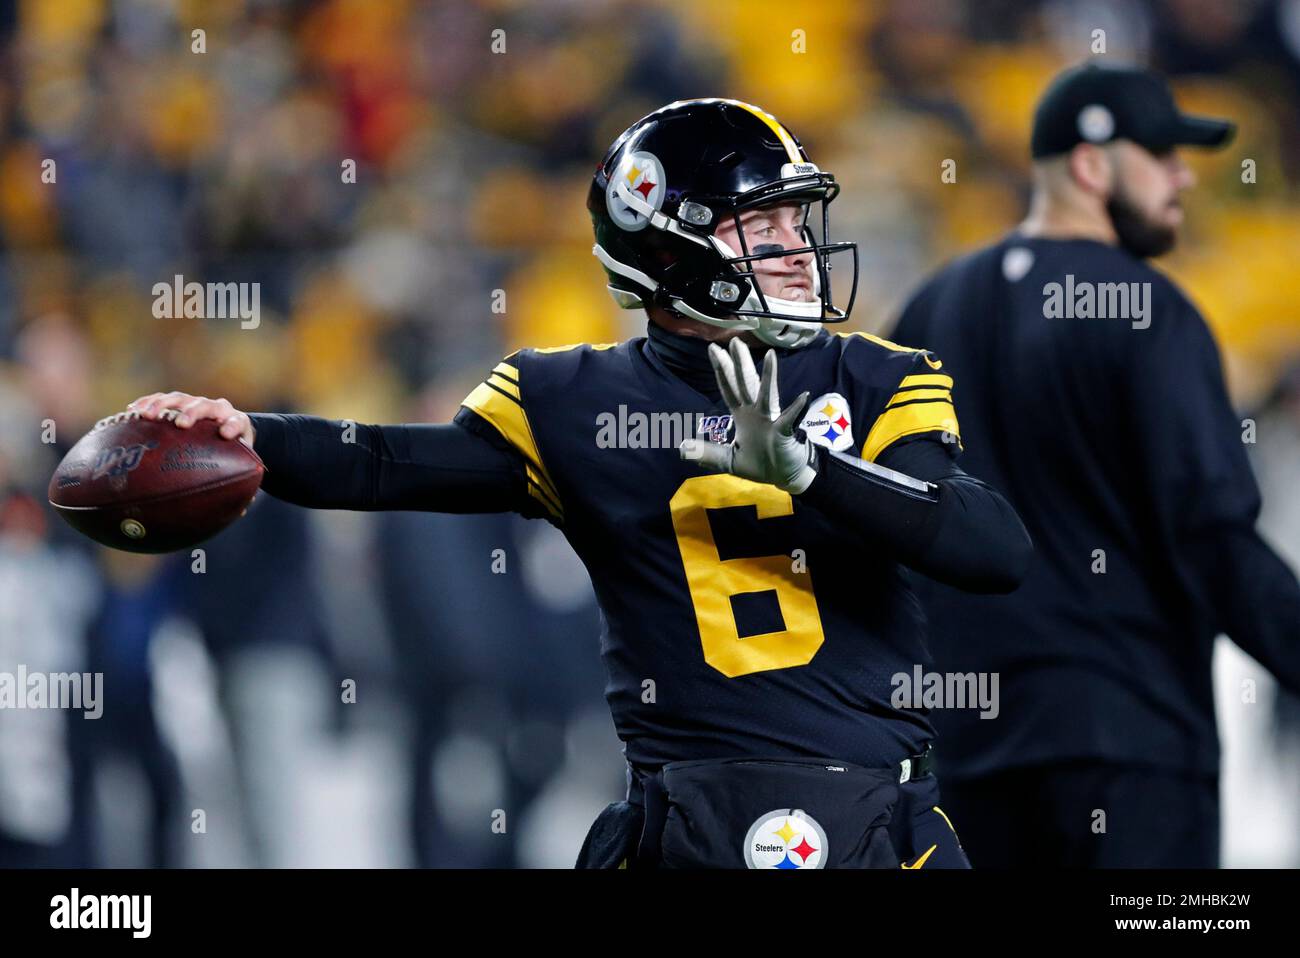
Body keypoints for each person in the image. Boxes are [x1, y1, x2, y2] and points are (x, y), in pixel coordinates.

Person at [128, 98, 1031, 869]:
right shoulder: (568, 400)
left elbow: (990, 548)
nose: (798, 251)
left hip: (873, 817)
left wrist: (814, 473)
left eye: (798, 223)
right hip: (684, 826)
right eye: (762, 228)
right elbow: (386, 463)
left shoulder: (874, 377)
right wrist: (251, 434)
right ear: (674, 252)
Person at [890, 62, 1300, 867]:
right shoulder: (1147, 307)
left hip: (961, 757)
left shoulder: (929, 309)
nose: (1184, 178)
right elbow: (1212, 536)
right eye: (1162, 156)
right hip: (1126, 746)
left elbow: (892, 524)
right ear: (1091, 165)